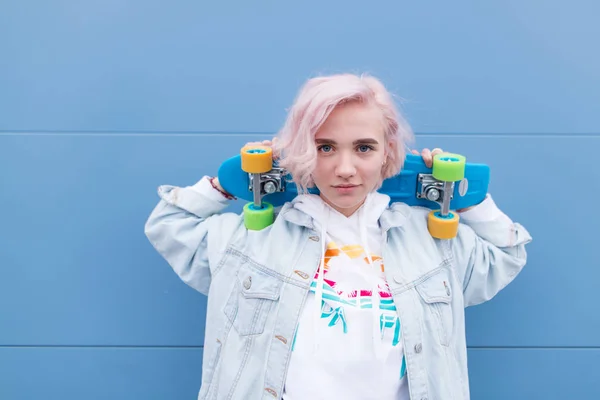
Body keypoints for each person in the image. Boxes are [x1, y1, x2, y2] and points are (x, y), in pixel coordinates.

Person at [144, 73, 532, 400]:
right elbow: (168, 224)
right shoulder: (252, 239)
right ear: (300, 152)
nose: (345, 168)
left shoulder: (432, 242)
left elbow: (507, 253)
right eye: (324, 147)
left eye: (364, 147)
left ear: (388, 153)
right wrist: (226, 184)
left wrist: (464, 196)